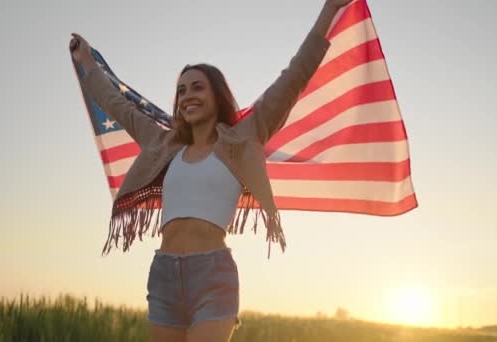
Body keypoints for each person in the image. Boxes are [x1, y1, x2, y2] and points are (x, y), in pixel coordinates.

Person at [70, 1, 351, 341]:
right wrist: (86, 62)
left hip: (213, 275)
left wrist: (329, 10)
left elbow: (295, 75)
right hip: (163, 275)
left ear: (218, 95)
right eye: (181, 90)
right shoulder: (163, 143)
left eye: (197, 87)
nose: (187, 96)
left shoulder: (246, 136)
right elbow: (117, 104)